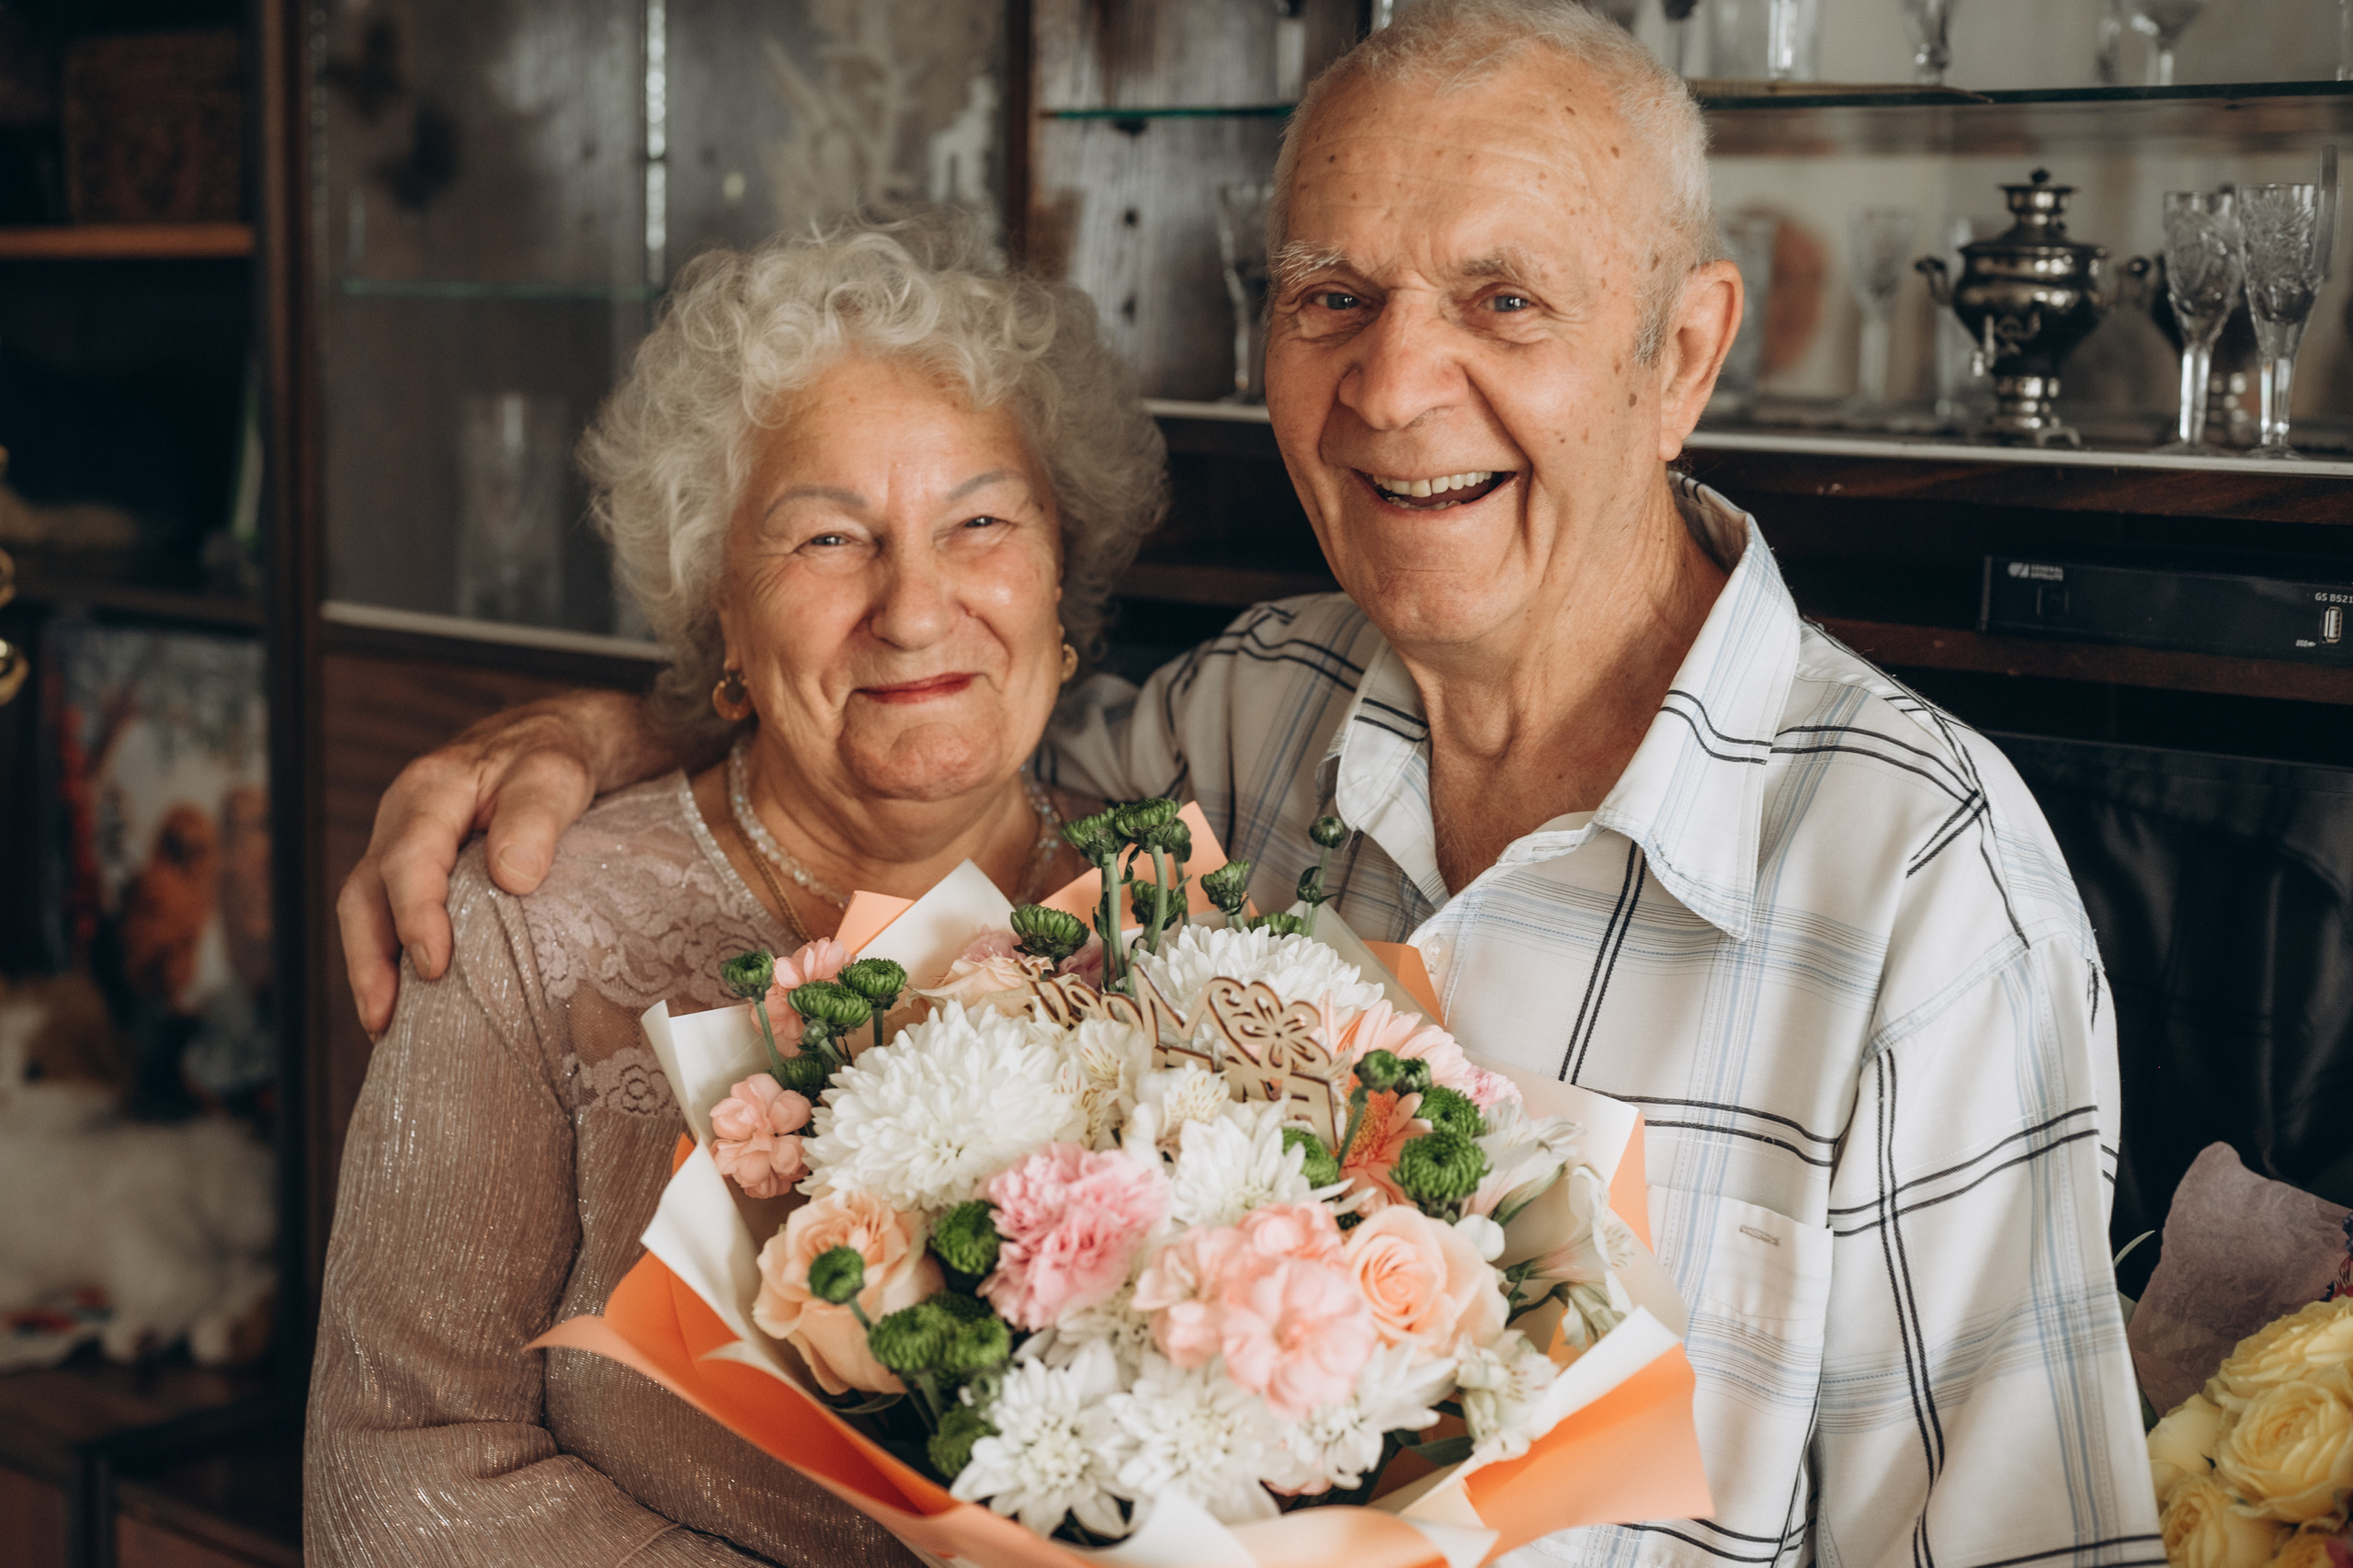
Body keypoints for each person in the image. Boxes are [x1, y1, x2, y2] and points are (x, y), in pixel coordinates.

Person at [338, 4, 2161, 1564]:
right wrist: (624, 728)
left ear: (1676, 353)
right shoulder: (1237, 727)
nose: (1390, 383)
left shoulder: (1923, 892)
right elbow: (905, 733)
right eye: (1330, 295)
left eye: (1501, 298)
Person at [303, 217, 1165, 1566]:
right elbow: (395, 1477)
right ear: (726, 619)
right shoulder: (533, 927)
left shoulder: (1175, 919)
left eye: (981, 520)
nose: (915, 604)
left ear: (1065, 581)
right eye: (829, 538)